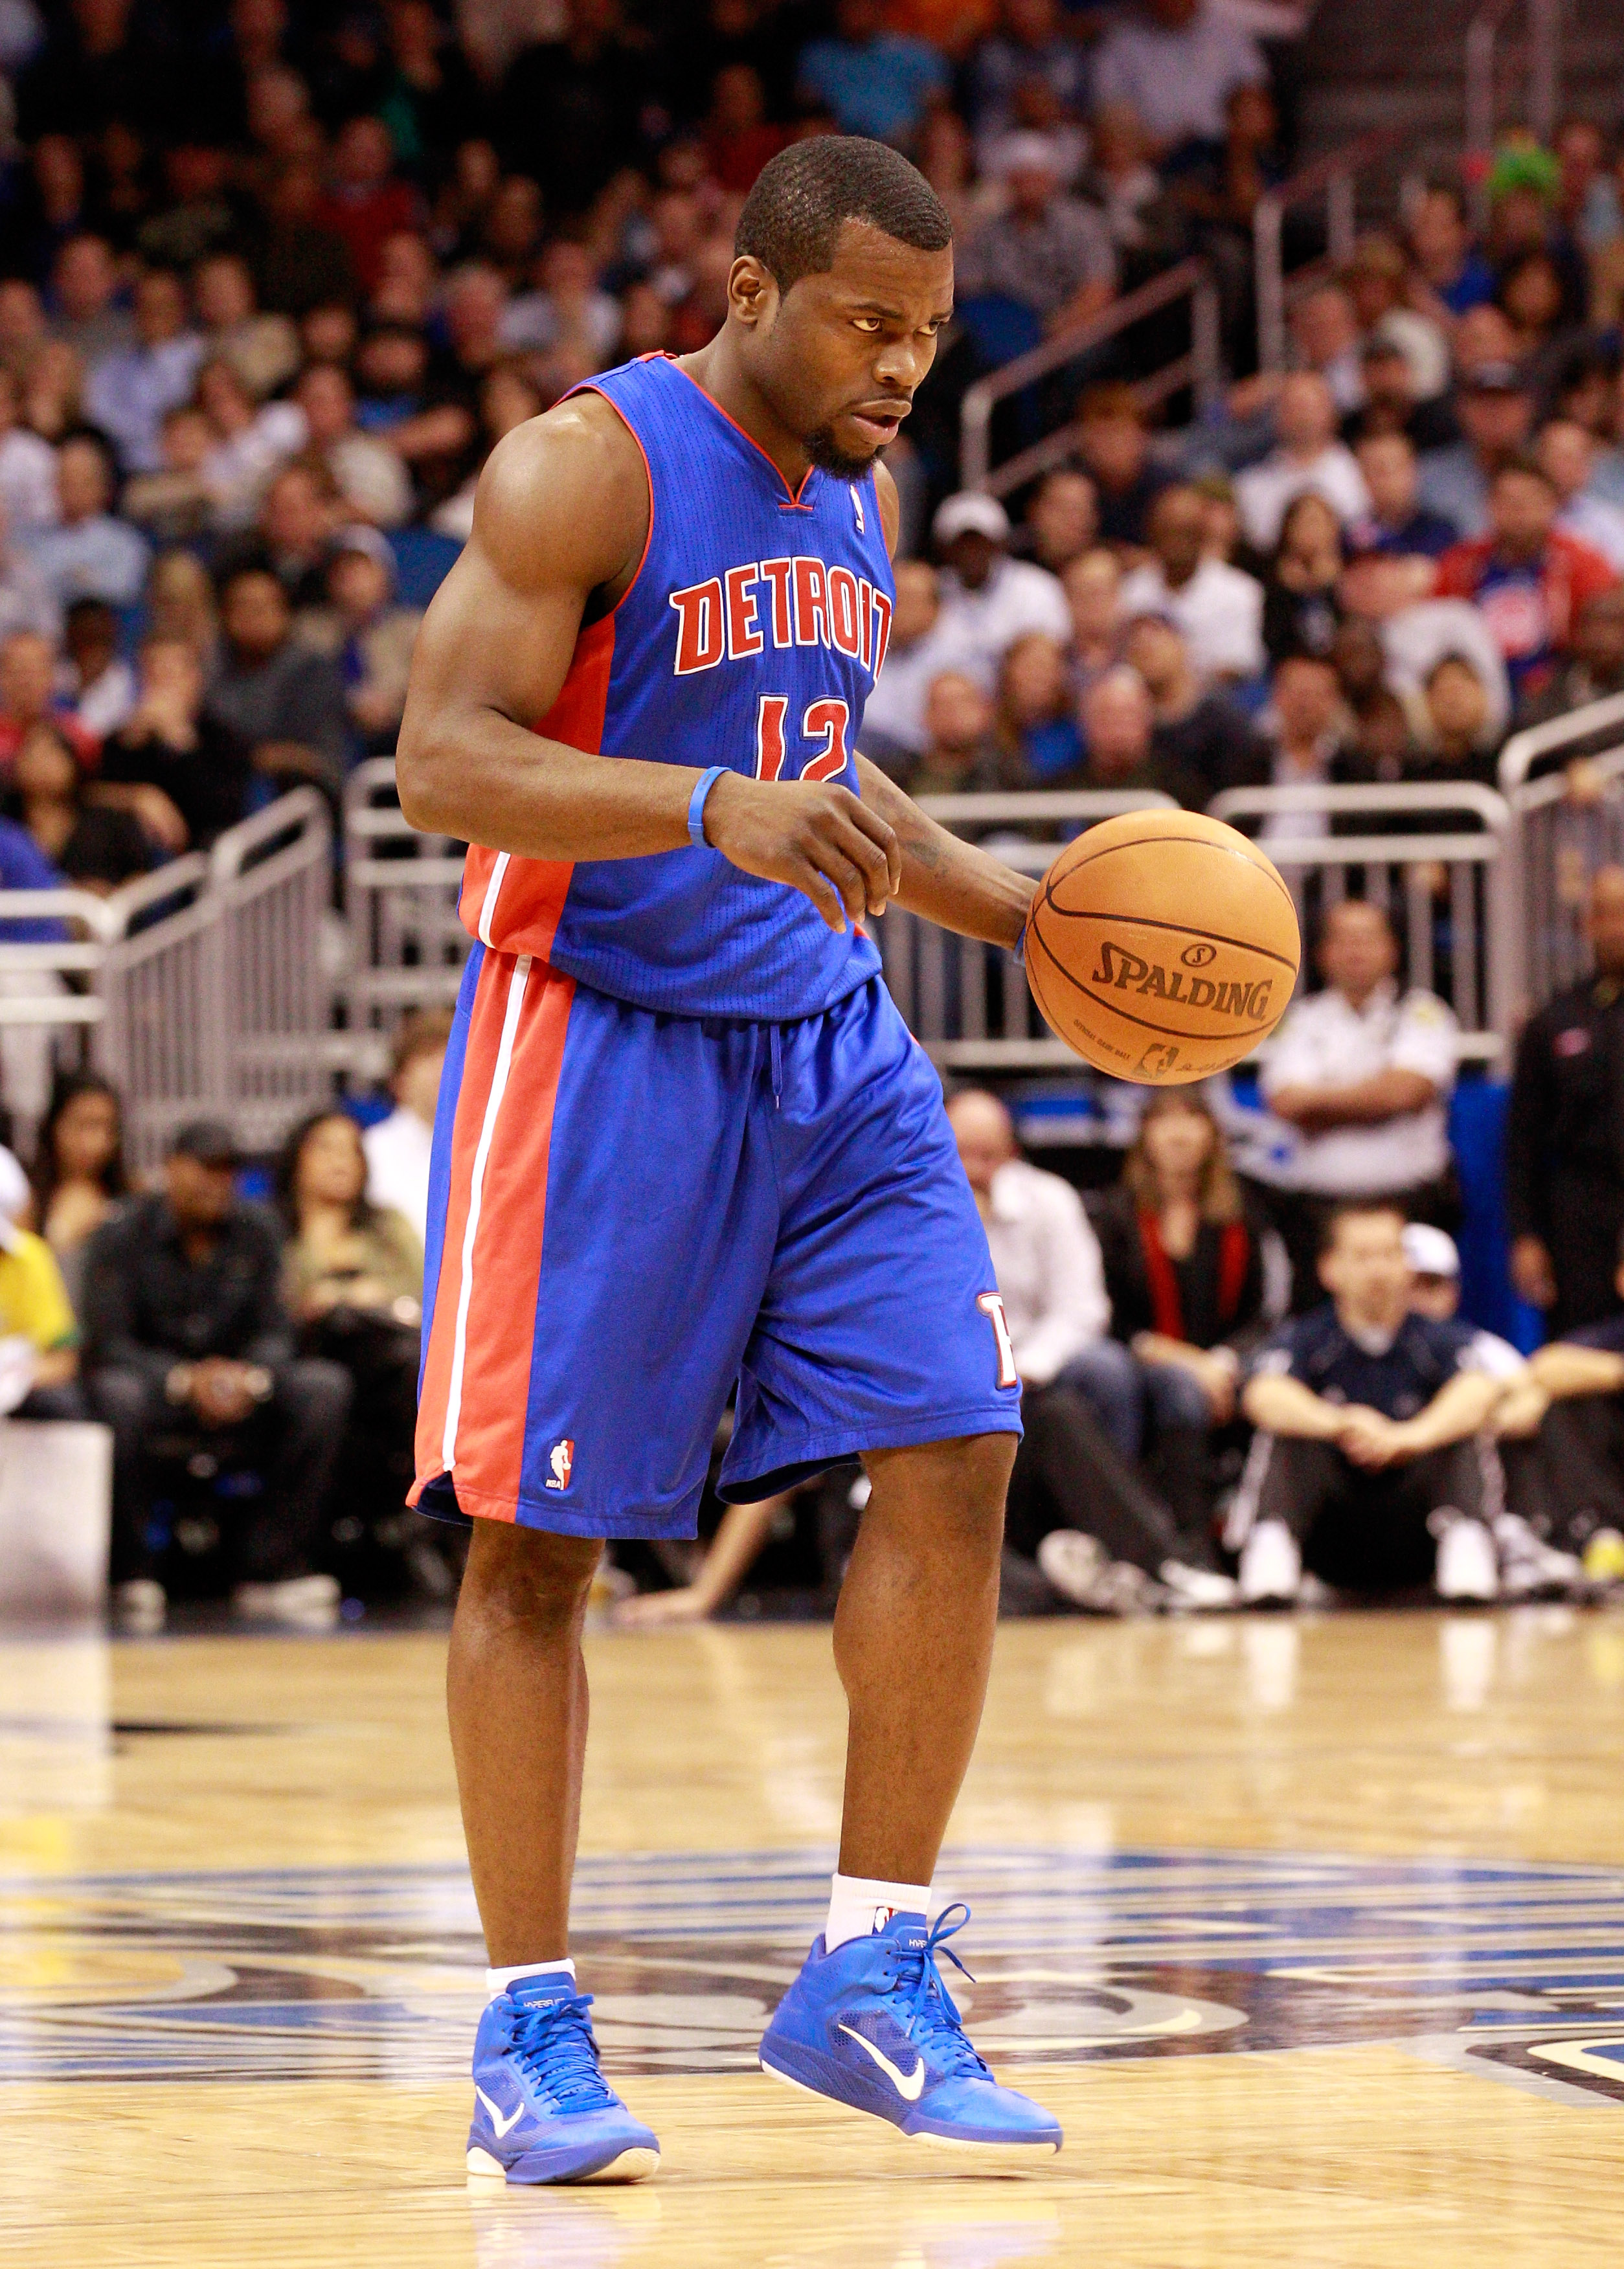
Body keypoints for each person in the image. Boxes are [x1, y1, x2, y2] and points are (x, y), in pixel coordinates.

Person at [394, 136, 1065, 2179]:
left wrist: (1023, 915)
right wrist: (699, 809)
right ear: (751, 293)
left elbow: (811, 769)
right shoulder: (582, 467)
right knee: (536, 1549)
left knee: (957, 1440)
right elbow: (442, 759)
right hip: (598, 1034)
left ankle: (865, 1964)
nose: (902, 368)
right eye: (868, 324)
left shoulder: (862, 491)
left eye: (925, 335)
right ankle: (527, 2028)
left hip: (828, 1040)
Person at [947, 1088, 1230, 1614]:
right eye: (961, 1154)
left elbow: (1082, 1309)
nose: (973, 1170)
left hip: (1028, 1381)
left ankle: (1149, 1560)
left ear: (1012, 1152)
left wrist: (1021, 1373)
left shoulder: (1048, 1198)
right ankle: (1126, 1564)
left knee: (1095, 1381)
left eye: (987, 1156)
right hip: (942, 1403)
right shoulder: (909, 1208)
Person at [82, 1118, 352, 1638]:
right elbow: (109, 1343)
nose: (216, 1181)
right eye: (204, 1167)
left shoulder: (259, 1229)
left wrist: (249, 1376)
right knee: (115, 1394)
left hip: (242, 1390)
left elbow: (277, 1330)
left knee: (323, 1387)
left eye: (227, 1169)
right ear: (171, 1169)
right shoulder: (122, 1233)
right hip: (158, 1392)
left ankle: (272, 1567)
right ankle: (133, 1573)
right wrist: (184, 1380)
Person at [1235, 1202, 1505, 1605]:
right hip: (1332, 1533)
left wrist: (1408, 1437)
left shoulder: (1442, 1339)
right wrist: (1340, 1424)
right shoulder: (1305, 1339)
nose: (1378, 1270)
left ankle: (1467, 1547)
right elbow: (1262, 1395)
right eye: (1362, 1257)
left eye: (1390, 1254)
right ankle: (1272, 1549)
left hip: (1417, 1533)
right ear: (1329, 1269)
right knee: (1289, 1428)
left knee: (1459, 1428)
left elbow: (1479, 1392)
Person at [1087, 1089, 1279, 1554]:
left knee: (1268, 1384)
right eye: (1165, 1120)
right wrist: (1192, 1364)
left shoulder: (1243, 1210)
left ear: (1213, 1134)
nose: (1179, 1134)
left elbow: (1261, 1311)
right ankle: (1183, 1546)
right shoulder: (1116, 1213)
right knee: (1178, 1390)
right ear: (1145, 1135)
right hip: (1139, 1356)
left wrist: (1224, 1362)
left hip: (1227, 1360)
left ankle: (1257, 1539)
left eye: (1192, 1118)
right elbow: (1105, 1313)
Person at [1257, 898, 1460, 1311]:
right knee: (1317, 1330)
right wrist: (1377, 1098)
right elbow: (1286, 1103)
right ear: (1321, 953)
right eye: (1343, 940)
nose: (1355, 951)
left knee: (1417, 1326)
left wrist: (1322, 1103)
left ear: (1393, 949)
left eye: (1367, 938)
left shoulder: (1423, 1013)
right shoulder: (1300, 1019)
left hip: (1410, 1204)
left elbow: (1407, 1093)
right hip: (1319, 1213)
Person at [275, 1109, 428, 1591]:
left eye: (351, 1151)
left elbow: (427, 1292)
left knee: (413, 1361)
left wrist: (369, 1295)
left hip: (387, 1362)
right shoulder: (271, 1229)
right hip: (305, 1357)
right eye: (325, 1147)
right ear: (296, 1159)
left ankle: (428, 1523)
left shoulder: (388, 1226)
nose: (341, 1161)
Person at [1506, 866, 1624, 1336]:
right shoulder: (1553, 1022)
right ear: (1587, 924)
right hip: (1581, 1219)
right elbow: (1523, 1141)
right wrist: (1526, 1236)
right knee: (1578, 1349)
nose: (1619, 927)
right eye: (1609, 914)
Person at [1435, 455, 1618, 705]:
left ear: (1552, 505)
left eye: (1530, 501)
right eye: (1509, 502)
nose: (1519, 512)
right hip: (1482, 696)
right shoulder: (1460, 566)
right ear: (1488, 505)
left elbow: (1608, 627)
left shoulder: (1581, 562)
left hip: (1562, 691)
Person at [205, 563, 350, 793]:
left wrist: (246, 753)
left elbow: (299, 750)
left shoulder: (311, 669)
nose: (252, 617)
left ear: (285, 612)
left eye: (262, 607)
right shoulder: (213, 667)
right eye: (242, 606)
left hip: (309, 791)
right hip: (229, 789)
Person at [102, 632, 252, 852]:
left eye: (171, 675)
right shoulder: (124, 739)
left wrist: (181, 743)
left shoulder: (223, 736)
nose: (162, 687)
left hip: (206, 855)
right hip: (140, 855)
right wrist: (137, 797)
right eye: (153, 676)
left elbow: (223, 811)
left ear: (195, 679)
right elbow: (87, 794)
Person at [954, 132, 1116, 336]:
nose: (1028, 185)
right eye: (1020, 177)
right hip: (1012, 326)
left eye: (1035, 176)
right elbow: (965, 281)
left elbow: (1099, 288)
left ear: (1052, 178)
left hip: (1071, 328)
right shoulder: (993, 231)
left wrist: (1057, 329)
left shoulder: (1082, 223)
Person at [1116, 482, 1265, 683]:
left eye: (1186, 531)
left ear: (1203, 533)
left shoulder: (1240, 592)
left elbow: (1237, 668)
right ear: (1151, 533)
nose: (1176, 543)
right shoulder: (1130, 591)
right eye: (1168, 531)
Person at [930, 490, 1071, 683]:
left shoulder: (1037, 588)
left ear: (1000, 544)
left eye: (981, 544)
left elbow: (1051, 660)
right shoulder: (930, 591)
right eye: (962, 544)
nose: (972, 553)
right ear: (944, 549)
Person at [1234, 373, 1370, 554]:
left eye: (1310, 407)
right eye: (1292, 407)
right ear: (1276, 416)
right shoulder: (1249, 486)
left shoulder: (1363, 474)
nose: (1302, 417)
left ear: (1332, 413)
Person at [30, 1070, 126, 1316]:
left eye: (107, 1128)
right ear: (54, 1126)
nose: (96, 1142)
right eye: (83, 1125)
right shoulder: (26, 1200)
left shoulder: (128, 1201)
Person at [25, 431, 149, 611]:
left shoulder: (125, 543)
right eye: (65, 480)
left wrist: (80, 582)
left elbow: (123, 592)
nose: (72, 490)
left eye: (82, 481)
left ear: (103, 487)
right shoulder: (28, 539)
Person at [362, 1007, 452, 1247]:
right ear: (399, 1080)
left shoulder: (487, 1151)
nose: (442, 1067)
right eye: (428, 1057)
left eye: (451, 1056)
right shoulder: (370, 1150)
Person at [1347, 431, 1459, 561]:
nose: (1387, 479)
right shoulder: (1352, 538)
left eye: (1395, 467)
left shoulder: (1442, 532)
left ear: (1414, 470)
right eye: (1376, 470)